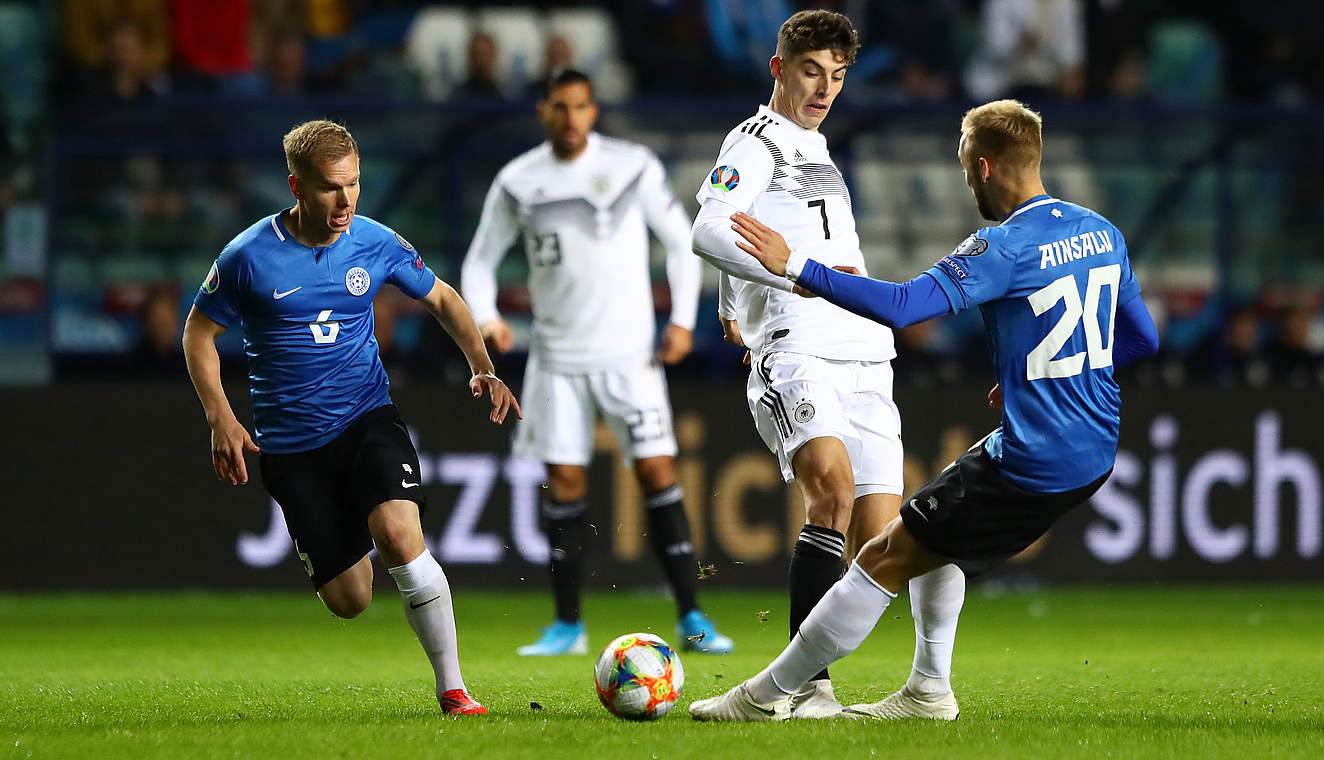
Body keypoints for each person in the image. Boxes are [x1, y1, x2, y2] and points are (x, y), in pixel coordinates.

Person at [689, 99, 1160, 722]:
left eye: (966, 172)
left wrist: (796, 265)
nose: (969, 186)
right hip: (1095, 447)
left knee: (883, 557)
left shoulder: (1002, 246)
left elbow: (905, 307)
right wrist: (1043, 370)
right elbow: (1141, 339)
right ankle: (927, 691)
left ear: (983, 166)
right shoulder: (1102, 231)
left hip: (1035, 457)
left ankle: (763, 696)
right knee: (936, 538)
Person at [182, 120, 520, 716]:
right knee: (350, 600)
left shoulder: (373, 241)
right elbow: (198, 333)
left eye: (354, 184)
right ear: (296, 186)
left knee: (400, 534)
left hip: (367, 417)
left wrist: (482, 366)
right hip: (292, 448)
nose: (345, 201)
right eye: (329, 188)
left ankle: (453, 689)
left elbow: (441, 296)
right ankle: (353, 533)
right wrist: (221, 418)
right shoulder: (248, 257)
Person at [689, 9, 965, 719]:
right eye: (811, 72)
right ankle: (805, 690)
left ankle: (930, 688)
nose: (824, 89)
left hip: (866, 351)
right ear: (778, 68)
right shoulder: (755, 140)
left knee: (895, 540)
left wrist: (731, 295)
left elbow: (761, 226)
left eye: (837, 76)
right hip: (798, 344)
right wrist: (786, 280)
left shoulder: (814, 145)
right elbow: (708, 229)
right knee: (832, 495)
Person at [459, 69, 732, 657]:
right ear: (543, 111)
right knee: (564, 482)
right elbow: (479, 261)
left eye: (581, 106)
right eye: (560, 107)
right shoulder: (517, 180)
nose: (571, 118)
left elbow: (680, 240)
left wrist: (683, 321)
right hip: (556, 359)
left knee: (657, 472)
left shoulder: (632, 166)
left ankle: (692, 618)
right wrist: (486, 316)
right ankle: (568, 626)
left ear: (594, 110)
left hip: (630, 355)